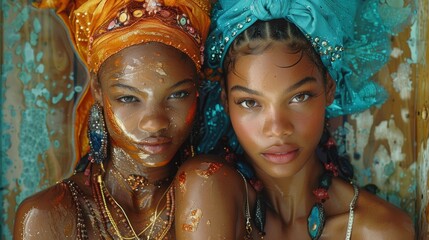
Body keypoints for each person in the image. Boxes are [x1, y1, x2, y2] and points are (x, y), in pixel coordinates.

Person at [174, 0, 415, 239]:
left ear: (330, 88)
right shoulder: (205, 187)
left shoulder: (379, 230)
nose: (278, 129)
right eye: (250, 102)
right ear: (226, 101)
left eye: (299, 97)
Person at [14, 0, 211, 239]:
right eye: (128, 98)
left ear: (198, 87)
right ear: (97, 89)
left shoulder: (219, 196)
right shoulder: (48, 216)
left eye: (178, 94)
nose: (154, 122)